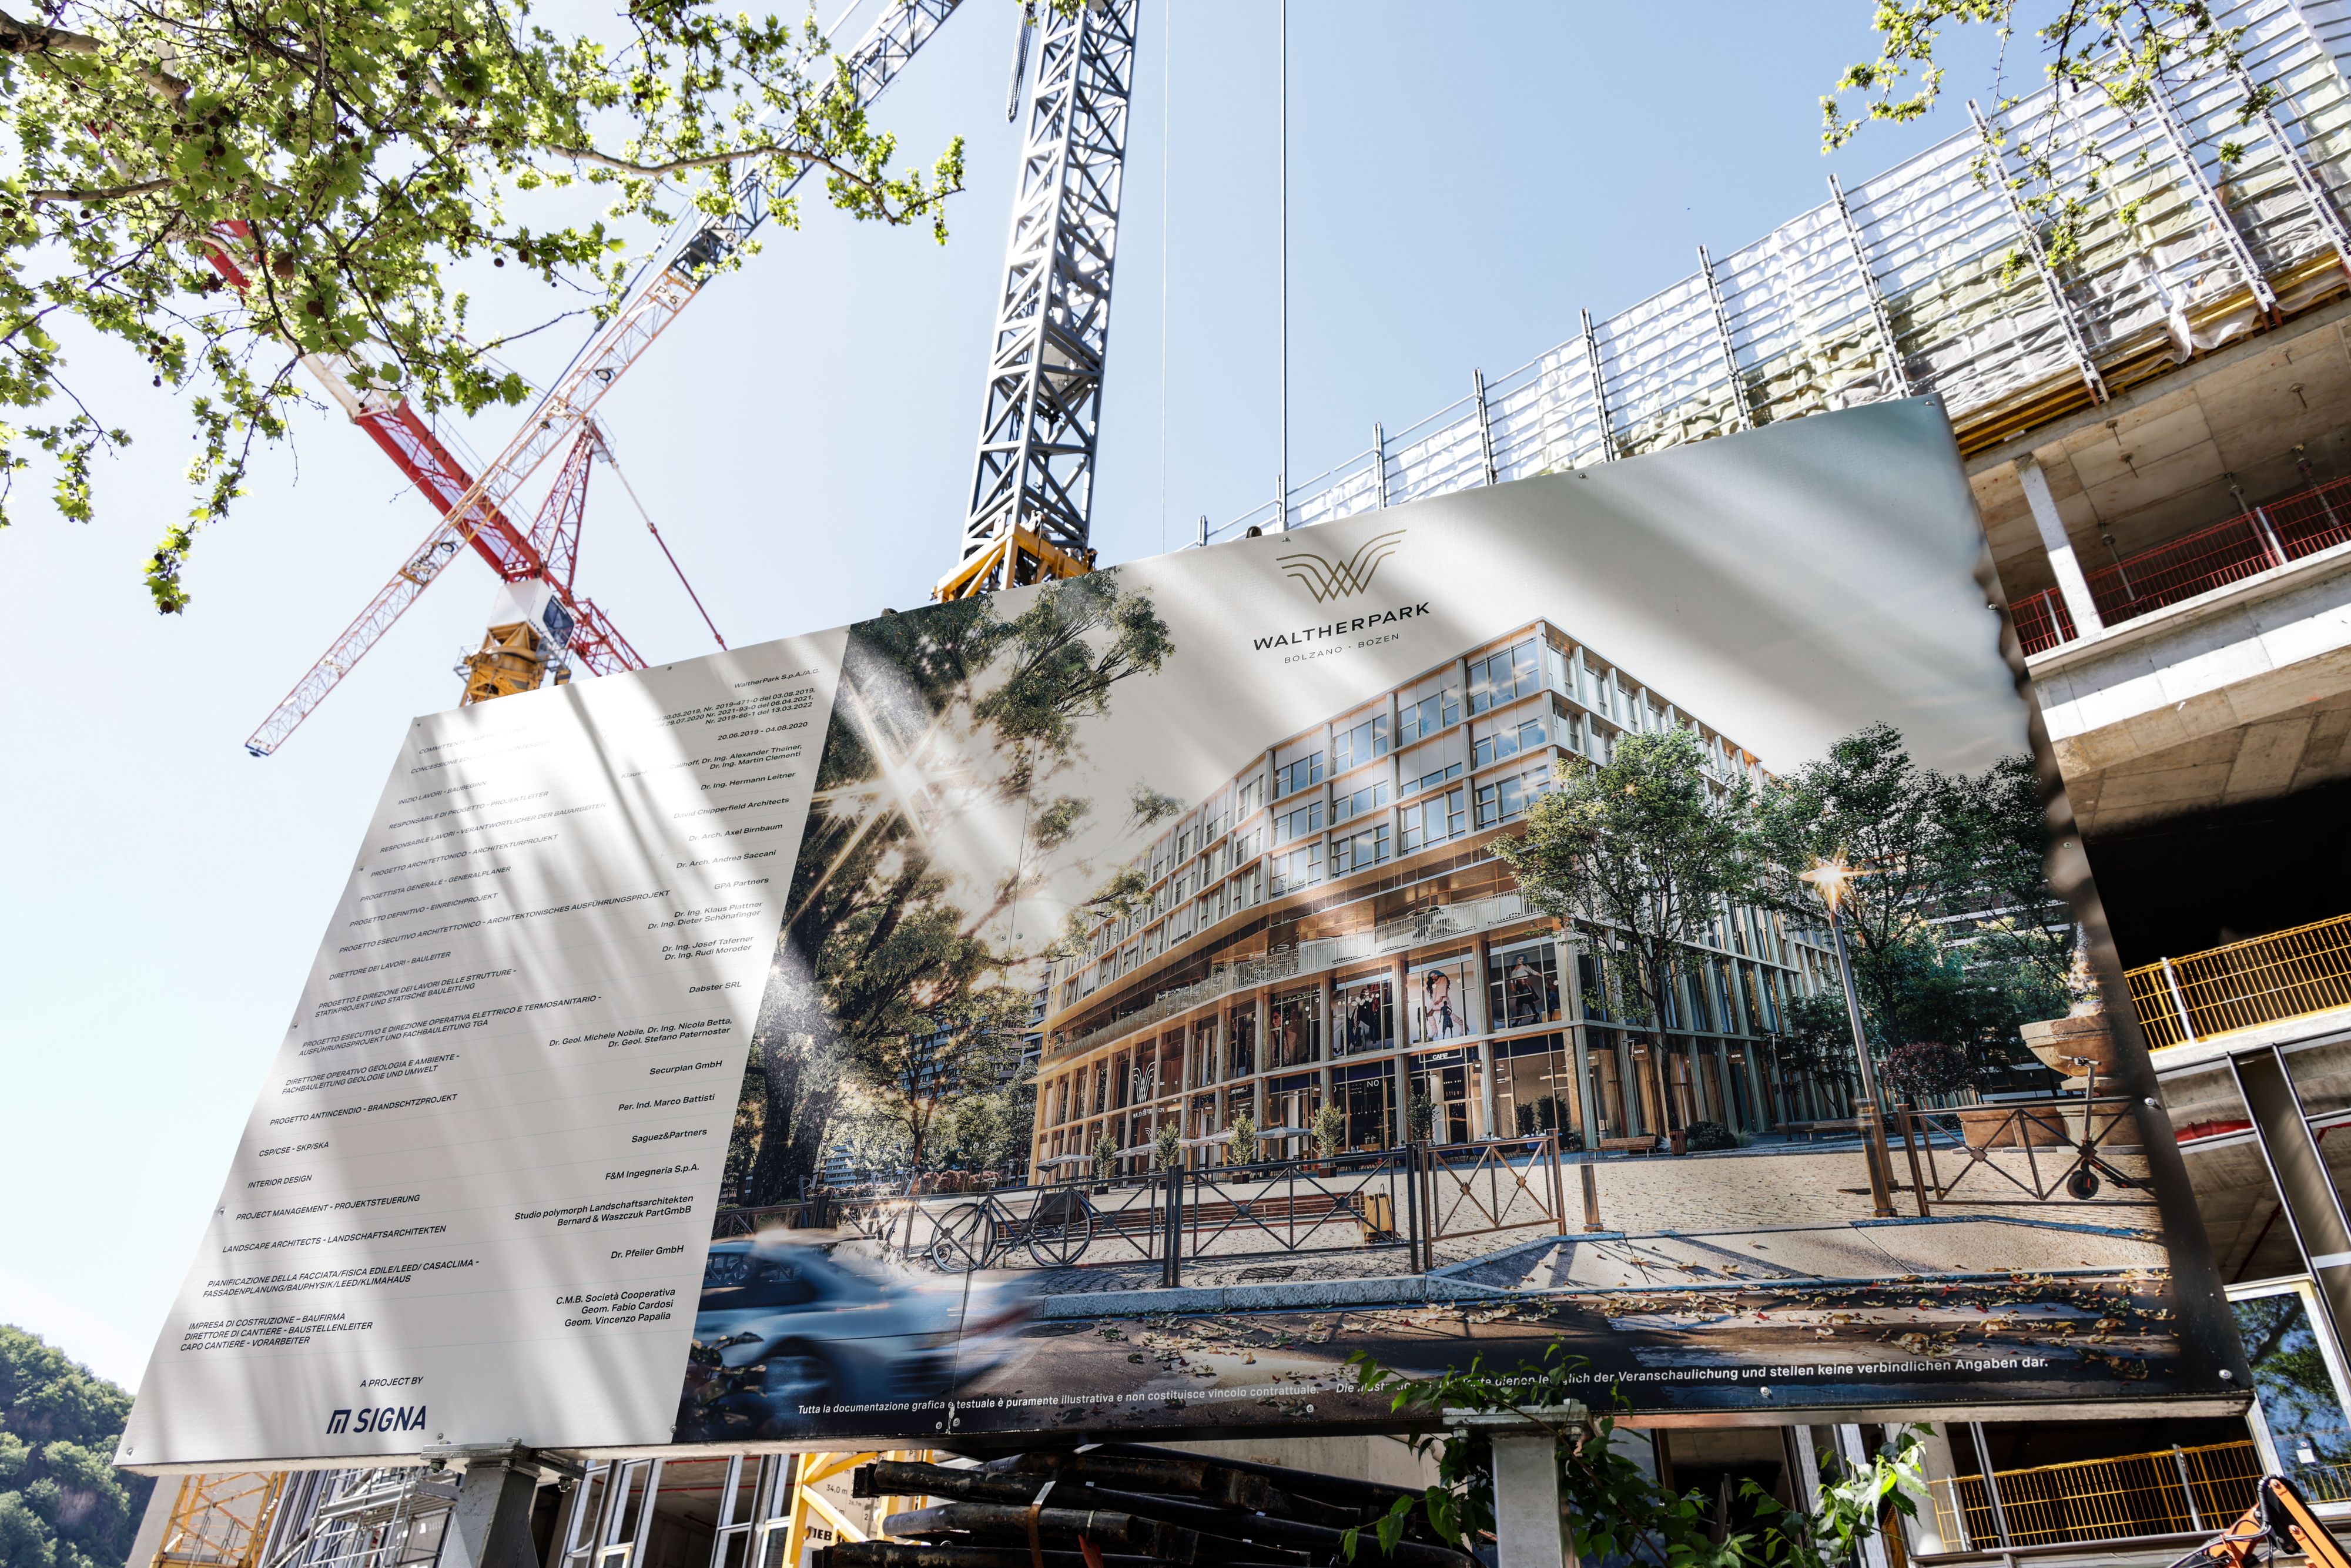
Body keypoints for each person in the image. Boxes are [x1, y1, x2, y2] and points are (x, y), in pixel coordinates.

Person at [1421, 969, 1463, 1040]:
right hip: (1436, 1000)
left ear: (1438, 973)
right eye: (1432, 977)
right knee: (1428, 1014)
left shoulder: (1443, 978)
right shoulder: (1436, 982)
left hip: (1442, 999)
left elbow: (1443, 989)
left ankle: (1463, 1026)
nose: (1434, 977)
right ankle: (1435, 1030)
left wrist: (1440, 999)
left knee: (1449, 1014)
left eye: (1435, 975)